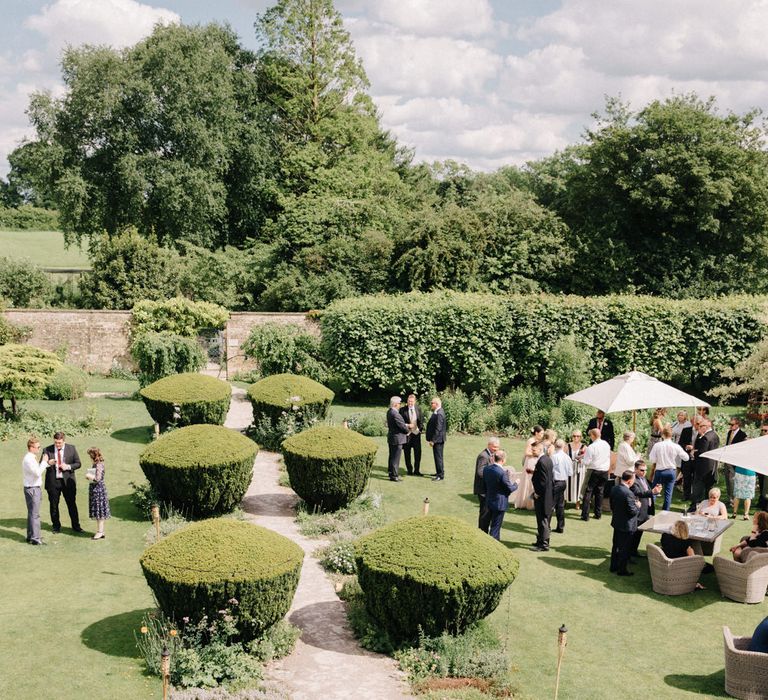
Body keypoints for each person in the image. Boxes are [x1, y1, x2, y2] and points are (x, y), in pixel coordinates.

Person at [41, 431, 83, 534]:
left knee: (71, 504)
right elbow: (40, 465)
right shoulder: (47, 450)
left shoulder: (71, 448)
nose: (57, 445)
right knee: (54, 505)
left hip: (67, 482)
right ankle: (56, 527)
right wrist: (47, 463)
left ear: (64, 441)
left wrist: (68, 466)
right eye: (56, 442)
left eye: (59, 443)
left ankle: (76, 526)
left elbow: (78, 463)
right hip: (53, 483)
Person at [648, 425, 689, 511]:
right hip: (671, 471)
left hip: (660, 471)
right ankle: (665, 512)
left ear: (662, 435)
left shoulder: (657, 445)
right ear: (671, 435)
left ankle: (650, 509)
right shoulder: (675, 446)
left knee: (654, 491)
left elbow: (652, 459)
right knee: (668, 493)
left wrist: (658, 459)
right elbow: (686, 457)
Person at [483, 450, 519, 541]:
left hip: (490, 500)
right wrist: (516, 483)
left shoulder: (487, 469)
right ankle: (493, 545)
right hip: (499, 503)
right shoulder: (502, 473)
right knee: (496, 527)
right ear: (503, 460)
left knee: (493, 525)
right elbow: (510, 488)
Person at [609, 470, 640, 576]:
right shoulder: (629, 494)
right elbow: (632, 512)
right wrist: (638, 506)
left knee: (616, 546)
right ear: (629, 481)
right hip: (627, 525)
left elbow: (612, 505)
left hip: (617, 522)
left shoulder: (614, 488)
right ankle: (622, 570)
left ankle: (613, 566)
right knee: (625, 548)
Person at [660, 520, 705, 589]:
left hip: (665, 564)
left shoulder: (665, 536)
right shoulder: (686, 542)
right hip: (680, 567)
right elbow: (693, 559)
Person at [630, 459, 661, 557]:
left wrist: (655, 490)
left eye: (645, 470)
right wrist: (652, 492)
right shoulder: (634, 480)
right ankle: (629, 554)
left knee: (639, 534)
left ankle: (634, 551)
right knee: (633, 535)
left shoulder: (644, 479)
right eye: (642, 470)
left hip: (645, 511)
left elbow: (648, 491)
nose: (644, 472)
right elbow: (638, 493)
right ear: (635, 469)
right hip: (639, 512)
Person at [688, 419, 720, 512]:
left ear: (706, 427)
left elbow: (702, 453)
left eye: (701, 426)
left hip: (703, 467)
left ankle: (695, 506)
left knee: (698, 488)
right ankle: (709, 508)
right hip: (711, 466)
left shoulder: (706, 437)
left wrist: (694, 452)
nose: (699, 427)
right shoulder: (715, 435)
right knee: (708, 488)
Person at [580, 428, 611, 521]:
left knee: (588, 491)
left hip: (594, 470)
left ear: (593, 436)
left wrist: (580, 460)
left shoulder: (591, 447)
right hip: (604, 470)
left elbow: (587, 462)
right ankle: (598, 513)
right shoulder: (606, 444)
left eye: (590, 436)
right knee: (600, 492)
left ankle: (585, 515)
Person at [22, 437, 46, 545]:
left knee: (32, 513)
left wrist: (47, 463)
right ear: (31, 447)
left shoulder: (31, 458)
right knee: (35, 514)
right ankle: (35, 538)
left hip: (32, 488)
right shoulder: (29, 459)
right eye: (38, 447)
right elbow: (37, 473)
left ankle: (30, 536)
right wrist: (44, 462)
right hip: (32, 489)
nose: (39, 449)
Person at [531, 442, 554, 552]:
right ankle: (540, 540)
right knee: (542, 520)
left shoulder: (541, 461)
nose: (532, 452)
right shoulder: (547, 459)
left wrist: (537, 493)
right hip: (547, 494)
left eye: (534, 450)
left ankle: (544, 544)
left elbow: (543, 482)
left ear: (540, 449)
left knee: (543, 520)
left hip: (542, 496)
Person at [475, 437, 500, 533]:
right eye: (494, 447)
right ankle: (482, 533)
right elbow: (480, 472)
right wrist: (492, 474)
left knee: (488, 513)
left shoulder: (492, 455)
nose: (496, 449)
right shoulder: (484, 456)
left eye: (497, 447)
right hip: (483, 490)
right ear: (489, 445)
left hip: (488, 489)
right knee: (484, 513)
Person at [85, 447, 110, 540]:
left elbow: (98, 478)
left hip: (98, 490)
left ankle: (100, 532)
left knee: (99, 512)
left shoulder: (99, 465)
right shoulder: (96, 464)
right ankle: (101, 531)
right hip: (96, 489)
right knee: (98, 511)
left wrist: (89, 476)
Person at [515, 425, 542, 510]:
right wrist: (536, 454)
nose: (542, 435)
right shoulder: (531, 440)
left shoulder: (538, 441)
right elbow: (526, 452)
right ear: (536, 433)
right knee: (529, 480)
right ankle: (527, 502)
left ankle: (533, 502)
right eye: (541, 433)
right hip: (530, 461)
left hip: (535, 461)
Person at [723, 417, 747, 508]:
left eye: (732, 424)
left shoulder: (742, 435)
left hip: (734, 462)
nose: (730, 426)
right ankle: (729, 499)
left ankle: (734, 500)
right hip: (727, 460)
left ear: (737, 425)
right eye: (729, 424)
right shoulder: (730, 432)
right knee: (727, 480)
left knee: (732, 480)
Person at [550, 439, 573, 533]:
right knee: (560, 505)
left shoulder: (553, 457)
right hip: (563, 482)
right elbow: (570, 472)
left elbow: (550, 470)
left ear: (555, 446)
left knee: (551, 504)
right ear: (564, 446)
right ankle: (560, 527)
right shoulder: (567, 457)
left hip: (556, 482)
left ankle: (546, 526)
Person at [385, 396, 409, 482]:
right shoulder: (395, 414)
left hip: (392, 437)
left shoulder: (389, 411)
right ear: (395, 404)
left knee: (392, 456)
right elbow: (402, 426)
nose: (400, 405)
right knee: (396, 458)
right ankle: (394, 476)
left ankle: (391, 472)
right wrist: (407, 431)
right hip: (397, 438)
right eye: (399, 403)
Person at [399, 394, 424, 476]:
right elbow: (400, 422)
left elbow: (421, 421)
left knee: (418, 453)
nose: (410, 403)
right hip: (407, 435)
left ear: (415, 401)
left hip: (416, 435)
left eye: (412, 401)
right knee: (407, 453)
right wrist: (407, 426)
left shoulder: (418, 409)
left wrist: (419, 430)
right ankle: (409, 470)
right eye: (409, 401)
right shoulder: (402, 410)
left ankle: (417, 470)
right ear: (407, 401)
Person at [426, 397, 446, 481]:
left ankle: (440, 475)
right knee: (437, 456)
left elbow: (438, 428)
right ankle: (439, 471)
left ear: (436, 404)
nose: (431, 404)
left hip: (438, 440)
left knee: (438, 457)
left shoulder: (440, 413)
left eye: (432, 403)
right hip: (438, 439)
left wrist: (433, 440)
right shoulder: (437, 412)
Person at [567, 429, 586, 504]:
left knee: (579, 484)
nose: (576, 438)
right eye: (574, 436)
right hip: (570, 466)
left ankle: (578, 501)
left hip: (579, 467)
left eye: (578, 436)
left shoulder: (584, 446)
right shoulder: (567, 445)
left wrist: (582, 459)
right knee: (569, 483)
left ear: (581, 437)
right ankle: (567, 499)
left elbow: (587, 458)